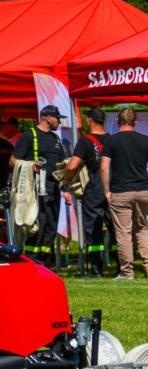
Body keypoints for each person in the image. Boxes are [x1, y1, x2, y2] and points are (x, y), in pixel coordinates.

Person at [100, 107, 148, 280]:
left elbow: (104, 168)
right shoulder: (146, 141)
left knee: (124, 232)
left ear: (118, 122)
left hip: (120, 191)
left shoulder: (111, 142)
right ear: (136, 122)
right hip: (142, 190)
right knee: (142, 228)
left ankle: (127, 271)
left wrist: (106, 191)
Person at [12, 103, 67, 267]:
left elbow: (61, 163)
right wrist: (30, 165)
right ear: (47, 118)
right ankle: (30, 261)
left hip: (54, 188)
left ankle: (45, 262)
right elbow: (13, 160)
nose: (59, 122)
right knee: (37, 225)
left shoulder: (56, 139)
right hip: (36, 188)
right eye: (57, 118)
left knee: (51, 226)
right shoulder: (29, 135)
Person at [62, 107, 109, 276]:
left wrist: (65, 179)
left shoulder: (85, 141)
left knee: (93, 229)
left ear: (90, 120)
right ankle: (120, 266)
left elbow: (73, 165)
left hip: (94, 188)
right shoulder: (112, 139)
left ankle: (96, 269)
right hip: (112, 188)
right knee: (116, 229)